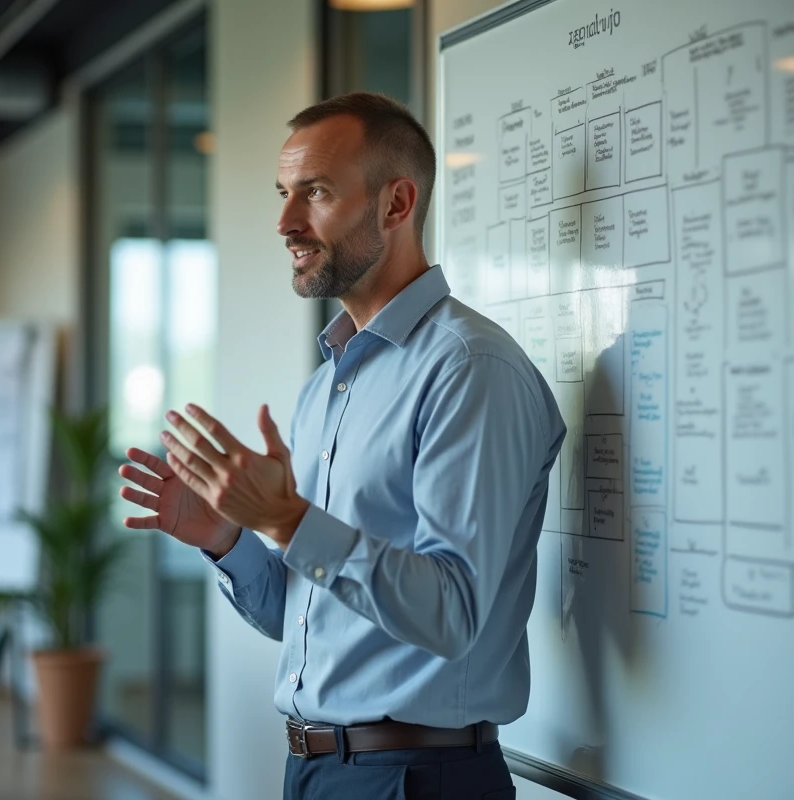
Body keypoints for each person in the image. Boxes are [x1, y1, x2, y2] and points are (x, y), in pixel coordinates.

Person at [119, 92, 566, 800]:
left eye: (316, 193)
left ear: (396, 204)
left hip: (418, 778)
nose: (285, 222)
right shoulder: (325, 389)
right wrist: (228, 539)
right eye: (283, 194)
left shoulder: (469, 369)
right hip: (317, 770)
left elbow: (453, 614)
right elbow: (303, 617)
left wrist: (290, 521)